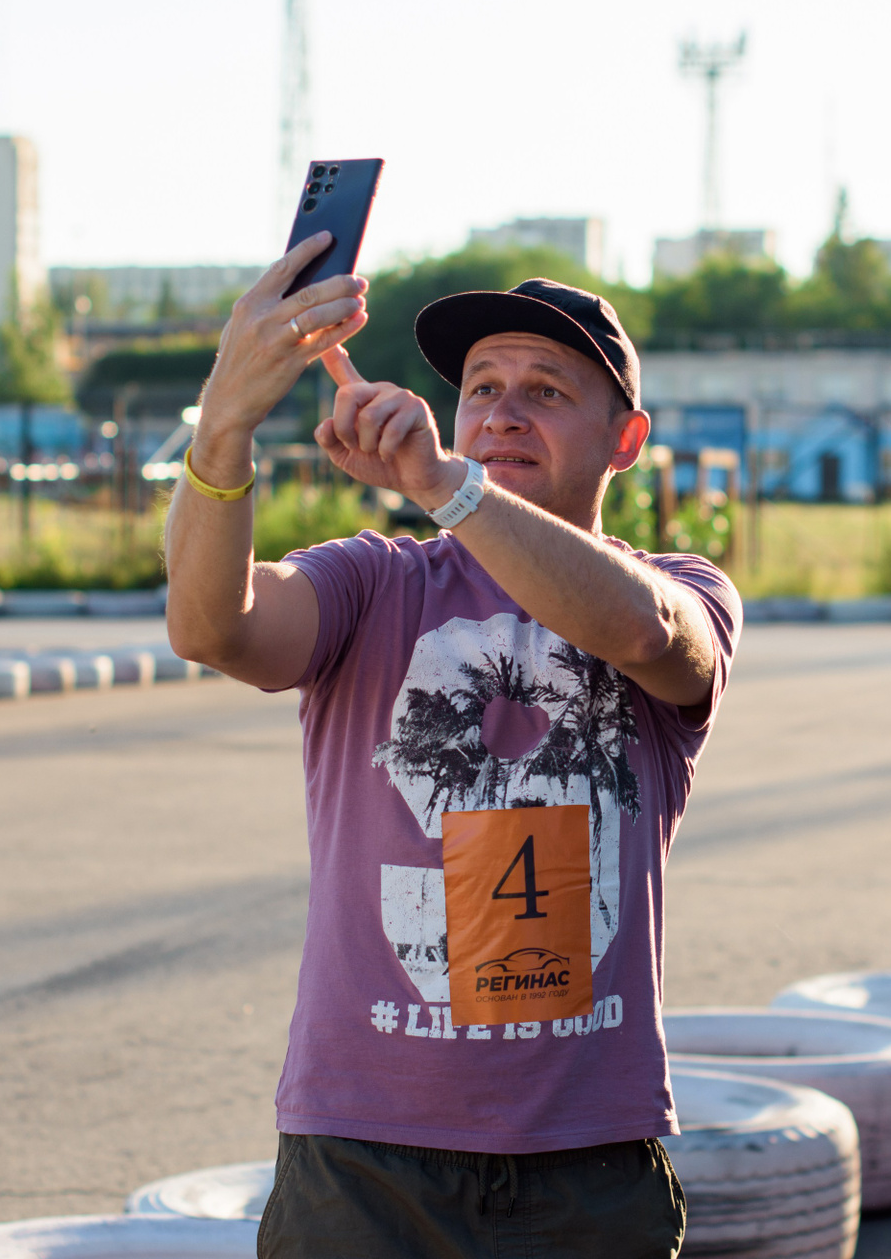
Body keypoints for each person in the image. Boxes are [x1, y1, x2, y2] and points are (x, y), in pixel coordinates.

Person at [164, 232, 739, 1259]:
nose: (503, 413)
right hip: (363, 1160)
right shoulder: (374, 581)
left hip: (587, 1162)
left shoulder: (683, 588)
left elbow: (648, 635)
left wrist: (448, 486)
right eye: (482, 388)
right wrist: (225, 425)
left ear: (626, 439)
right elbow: (216, 628)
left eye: (546, 391)